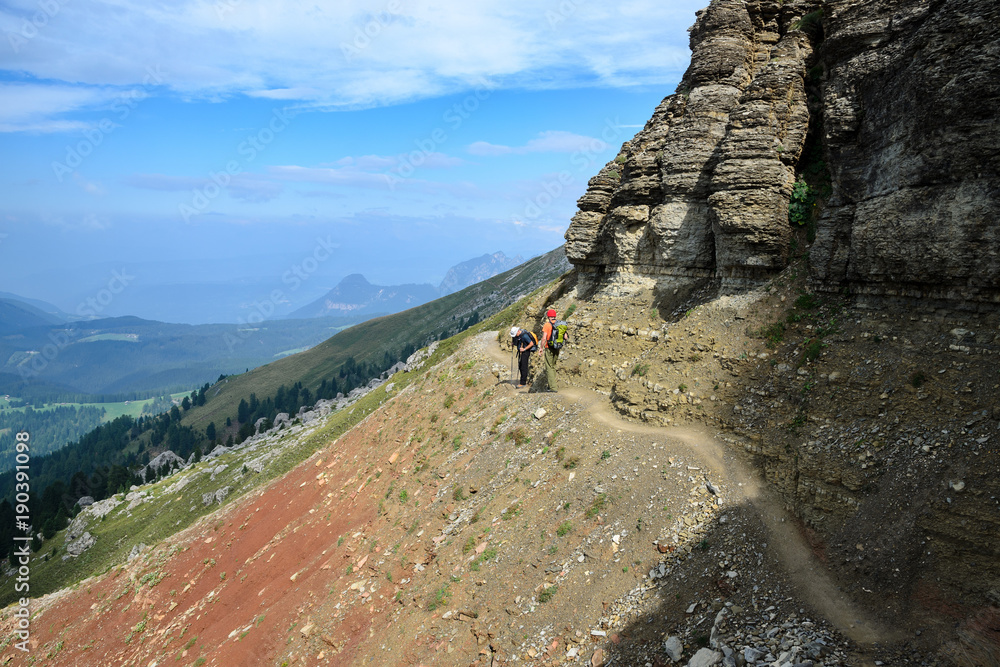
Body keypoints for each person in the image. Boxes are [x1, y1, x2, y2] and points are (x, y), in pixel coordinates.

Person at [538, 309, 569, 391]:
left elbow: (544, 338)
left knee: (549, 367)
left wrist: (541, 348)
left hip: (549, 347)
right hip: (557, 347)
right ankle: (552, 384)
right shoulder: (560, 324)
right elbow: (565, 337)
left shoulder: (547, 325)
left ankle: (553, 387)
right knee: (553, 366)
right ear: (555, 316)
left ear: (548, 316)